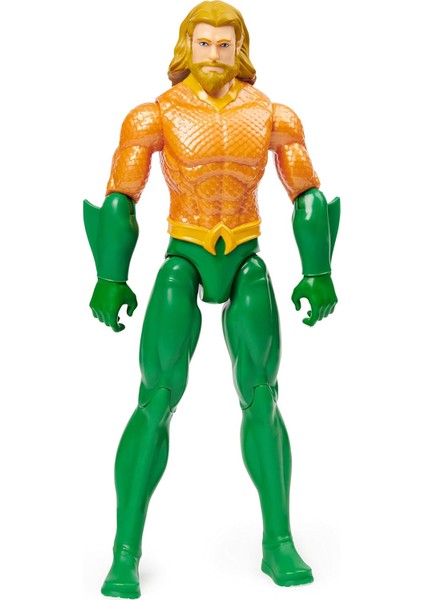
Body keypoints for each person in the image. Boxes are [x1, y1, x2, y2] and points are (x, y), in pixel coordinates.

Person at [84, 1, 340, 597]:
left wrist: (319, 269)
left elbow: (306, 191)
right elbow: (121, 196)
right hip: (185, 255)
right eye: (204, 44)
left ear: (239, 49)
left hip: (246, 255)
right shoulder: (155, 114)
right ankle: (125, 551)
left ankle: (278, 542)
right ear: (187, 47)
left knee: (262, 395)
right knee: (156, 397)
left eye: (226, 45)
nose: (215, 55)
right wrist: (111, 276)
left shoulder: (272, 114)